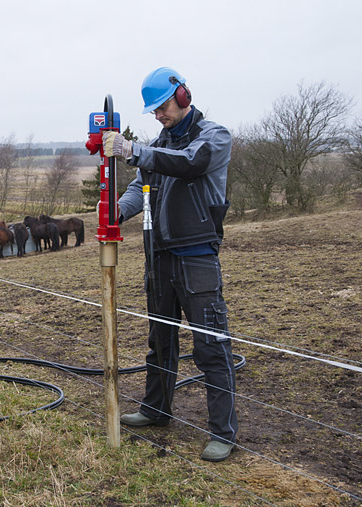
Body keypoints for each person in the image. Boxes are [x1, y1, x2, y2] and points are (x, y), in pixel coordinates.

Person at [102, 67, 237, 462]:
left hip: (196, 257)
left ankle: (223, 432)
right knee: (160, 342)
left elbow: (188, 163)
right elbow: (137, 185)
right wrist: (115, 212)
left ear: (183, 96)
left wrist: (132, 150)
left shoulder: (214, 137)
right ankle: (156, 409)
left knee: (211, 345)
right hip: (158, 257)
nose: (158, 115)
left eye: (161, 107)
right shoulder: (160, 143)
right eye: (153, 111)